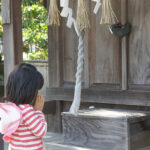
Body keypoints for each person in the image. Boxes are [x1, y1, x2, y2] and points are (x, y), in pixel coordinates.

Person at [5, 63, 47, 150]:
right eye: (35, 90)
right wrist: (38, 111)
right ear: (28, 90)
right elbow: (41, 131)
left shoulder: (11, 107)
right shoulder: (26, 110)